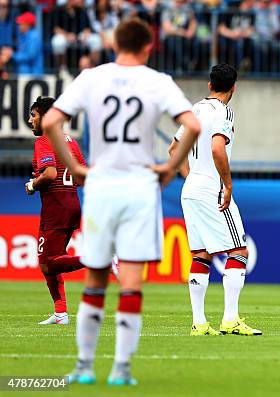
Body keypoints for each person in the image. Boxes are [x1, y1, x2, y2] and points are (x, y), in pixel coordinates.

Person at [42, 18, 201, 385]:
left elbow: (51, 121)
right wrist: (167, 168)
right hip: (140, 187)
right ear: (148, 46)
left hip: (101, 186)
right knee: (131, 281)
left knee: (95, 278)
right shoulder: (158, 82)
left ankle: (83, 366)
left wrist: (76, 170)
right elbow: (192, 126)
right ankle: (121, 369)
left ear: (114, 43)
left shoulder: (91, 78)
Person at [169, 63, 262, 337]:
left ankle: (199, 324)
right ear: (234, 88)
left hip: (191, 188)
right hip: (213, 189)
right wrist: (228, 185)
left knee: (201, 255)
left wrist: (191, 177)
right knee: (239, 251)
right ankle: (230, 320)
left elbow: (173, 149)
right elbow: (217, 146)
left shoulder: (193, 110)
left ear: (210, 84)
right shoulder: (224, 111)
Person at [26, 96, 86, 325]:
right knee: (49, 261)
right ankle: (60, 312)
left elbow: (50, 173)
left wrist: (33, 184)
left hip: (56, 207)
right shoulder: (70, 140)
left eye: (34, 115)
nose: (31, 120)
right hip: (70, 204)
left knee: (49, 262)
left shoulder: (44, 140)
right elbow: (81, 175)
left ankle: (96, 259)